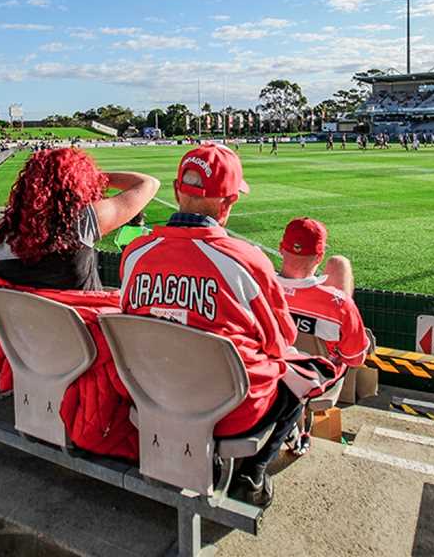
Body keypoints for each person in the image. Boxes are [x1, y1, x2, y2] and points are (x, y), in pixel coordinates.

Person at [120, 144, 301, 508]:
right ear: (229, 202)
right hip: (228, 411)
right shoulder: (246, 260)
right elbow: (281, 341)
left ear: (175, 191)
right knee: (296, 378)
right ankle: (254, 471)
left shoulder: (134, 254)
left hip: (149, 396)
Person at [0, 147, 159, 291]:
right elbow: (148, 183)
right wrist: (90, 178)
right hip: (83, 326)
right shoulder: (81, 221)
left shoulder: (3, 236)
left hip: (26, 328)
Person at [275, 218, 368, 367]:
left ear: (281, 248)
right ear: (320, 256)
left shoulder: (257, 289)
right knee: (339, 264)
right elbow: (355, 359)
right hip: (319, 384)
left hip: (269, 377)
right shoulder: (340, 304)